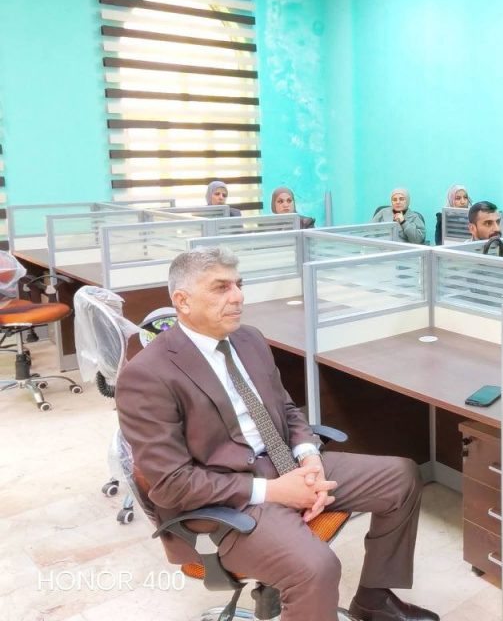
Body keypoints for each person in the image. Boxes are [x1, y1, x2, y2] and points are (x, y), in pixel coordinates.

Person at [115, 247, 438, 621]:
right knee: (317, 568)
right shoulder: (147, 375)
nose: (238, 296)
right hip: (224, 499)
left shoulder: (249, 339)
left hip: (283, 463)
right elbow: (173, 485)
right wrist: (273, 491)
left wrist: (308, 455)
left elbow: (284, 408)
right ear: (182, 301)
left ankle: (373, 601)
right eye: (221, 287)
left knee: (400, 477)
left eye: (239, 284)